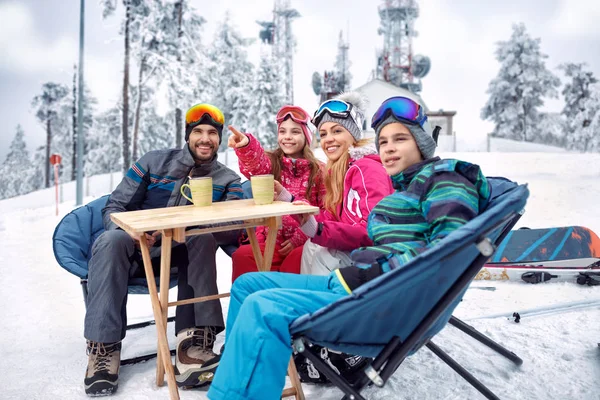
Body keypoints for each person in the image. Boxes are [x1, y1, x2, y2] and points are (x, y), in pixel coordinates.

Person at [205, 95, 491, 400]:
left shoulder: (446, 178)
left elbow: (450, 251)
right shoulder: (405, 187)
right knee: (250, 285)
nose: (389, 148)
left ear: (422, 142)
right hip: (357, 286)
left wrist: (374, 274)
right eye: (383, 141)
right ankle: (232, 371)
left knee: (263, 307)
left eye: (400, 139)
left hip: (378, 301)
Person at [83, 103, 244, 396]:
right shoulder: (153, 163)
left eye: (212, 133)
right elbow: (115, 206)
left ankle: (192, 345)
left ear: (219, 139)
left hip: (184, 256)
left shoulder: (228, 180)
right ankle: (103, 350)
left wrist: (199, 223)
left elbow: (234, 227)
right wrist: (132, 232)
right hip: (135, 252)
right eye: (198, 132)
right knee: (110, 240)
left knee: (203, 237)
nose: (205, 138)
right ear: (188, 135)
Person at [287, 92, 394, 276]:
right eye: (323, 134)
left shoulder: (367, 169)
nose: (328, 139)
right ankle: (312, 300)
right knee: (311, 247)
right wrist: (294, 203)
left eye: (337, 131)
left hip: (378, 257)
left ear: (353, 135)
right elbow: (334, 219)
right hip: (358, 250)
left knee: (324, 256)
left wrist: (319, 230)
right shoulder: (340, 171)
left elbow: (372, 230)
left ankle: (327, 301)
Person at [227, 105, 326, 281]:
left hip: (303, 244)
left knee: (295, 263)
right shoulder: (272, 164)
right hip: (270, 240)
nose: (287, 137)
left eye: (295, 132)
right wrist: (246, 147)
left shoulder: (319, 171)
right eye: (282, 131)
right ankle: (246, 304)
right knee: (243, 256)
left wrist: (300, 238)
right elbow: (256, 165)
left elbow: (325, 211)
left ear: (306, 136)